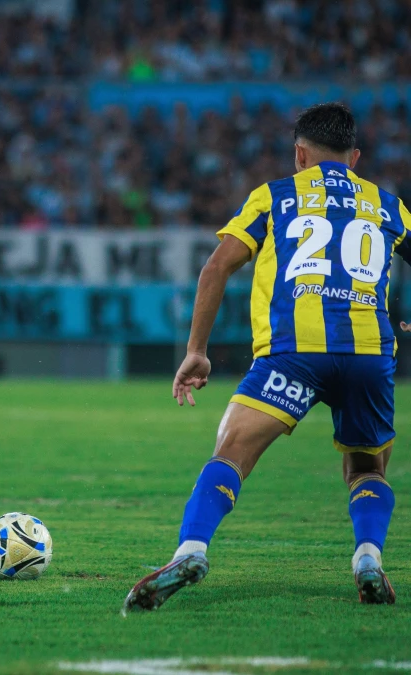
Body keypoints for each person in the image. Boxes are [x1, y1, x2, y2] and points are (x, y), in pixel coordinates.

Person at [124, 103, 408, 611]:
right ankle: (368, 558)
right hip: (369, 353)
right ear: (355, 157)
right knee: (367, 469)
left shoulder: (276, 195)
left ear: (300, 154)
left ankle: (192, 551)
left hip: (293, 354)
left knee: (231, 453)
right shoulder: (390, 206)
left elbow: (216, 268)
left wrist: (196, 352)